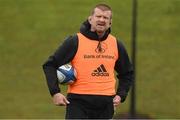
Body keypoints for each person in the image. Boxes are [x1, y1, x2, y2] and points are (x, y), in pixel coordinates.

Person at [42, 3, 134, 119]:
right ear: (90, 19)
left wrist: (121, 95)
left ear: (110, 23)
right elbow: (50, 65)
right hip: (78, 103)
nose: (102, 20)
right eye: (98, 16)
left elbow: (127, 73)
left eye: (105, 18)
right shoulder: (75, 41)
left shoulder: (116, 44)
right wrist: (55, 92)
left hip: (105, 105)